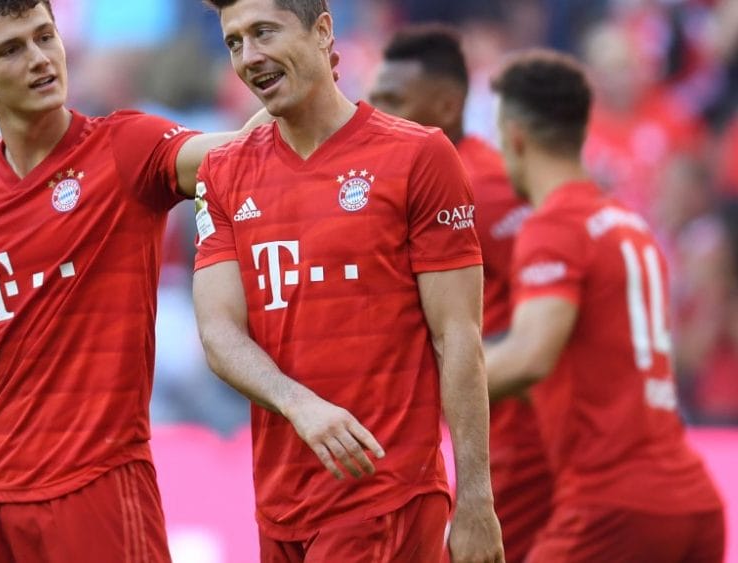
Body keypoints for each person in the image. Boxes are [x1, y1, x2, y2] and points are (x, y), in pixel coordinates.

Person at [0, 1, 280, 561]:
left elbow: (238, 154)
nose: (39, 59)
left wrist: (300, 78)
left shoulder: (125, 148)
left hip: (98, 483)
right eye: (11, 49)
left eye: (44, 37)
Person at [193, 1, 503, 561]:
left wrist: (476, 499)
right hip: (281, 503)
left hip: (385, 497)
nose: (250, 56)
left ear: (323, 31)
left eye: (263, 32)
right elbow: (219, 334)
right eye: (234, 41)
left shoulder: (419, 156)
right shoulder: (223, 172)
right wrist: (298, 404)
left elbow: (458, 338)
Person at [485, 49, 725, 562]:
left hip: (615, 506)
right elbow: (595, 365)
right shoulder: (627, 225)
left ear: (516, 138)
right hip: (693, 501)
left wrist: (420, 384)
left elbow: (530, 356)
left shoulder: (553, 226)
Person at [368, 25, 550, 562]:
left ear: (448, 103)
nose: (377, 112)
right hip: (456, 433)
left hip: (510, 436)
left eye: (393, 100)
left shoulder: (484, 185)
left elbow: (566, 298)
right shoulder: (411, 177)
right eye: (375, 97)